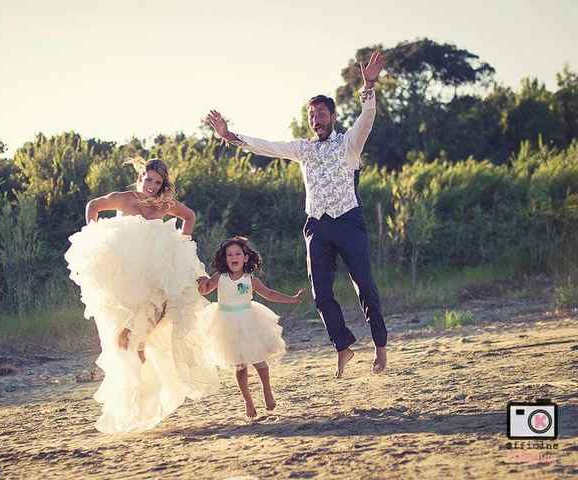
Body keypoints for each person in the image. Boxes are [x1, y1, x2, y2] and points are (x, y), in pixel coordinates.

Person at [205, 51, 388, 378]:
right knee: (321, 295)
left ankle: (380, 347)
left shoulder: (350, 144)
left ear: (332, 116)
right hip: (317, 226)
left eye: (321, 114)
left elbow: (368, 116)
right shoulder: (302, 149)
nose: (316, 120)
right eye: (311, 115)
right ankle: (343, 346)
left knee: (365, 286)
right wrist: (230, 136)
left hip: (348, 221)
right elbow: (267, 146)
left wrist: (369, 84)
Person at [65, 157, 218, 433]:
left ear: (163, 185)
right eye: (148, 179)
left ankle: (144, 389)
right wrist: (94, 235)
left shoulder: (163, 204)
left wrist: (181, 243)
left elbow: (190, 216)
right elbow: (93, 206)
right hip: (129, 278)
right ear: (141, 177)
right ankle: (132, 390)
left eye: (158, 182)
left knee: (150, 334)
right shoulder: (123, 199)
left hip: (156, 278)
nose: (152, 186)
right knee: (125, 339)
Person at [198, 236, 303, 419]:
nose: (233, 257)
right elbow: (205, 290)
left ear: (245, 258)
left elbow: (269, 293)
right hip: (226, 323)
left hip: (249, 320)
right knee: (240, 366)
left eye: (238, 253)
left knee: (259, 361)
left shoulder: (250, 279)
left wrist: (291, 299)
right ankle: (248, 401)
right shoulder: (220, 277)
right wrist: (200, 281)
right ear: (225, 259)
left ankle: (267, 390)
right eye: (229, 254)